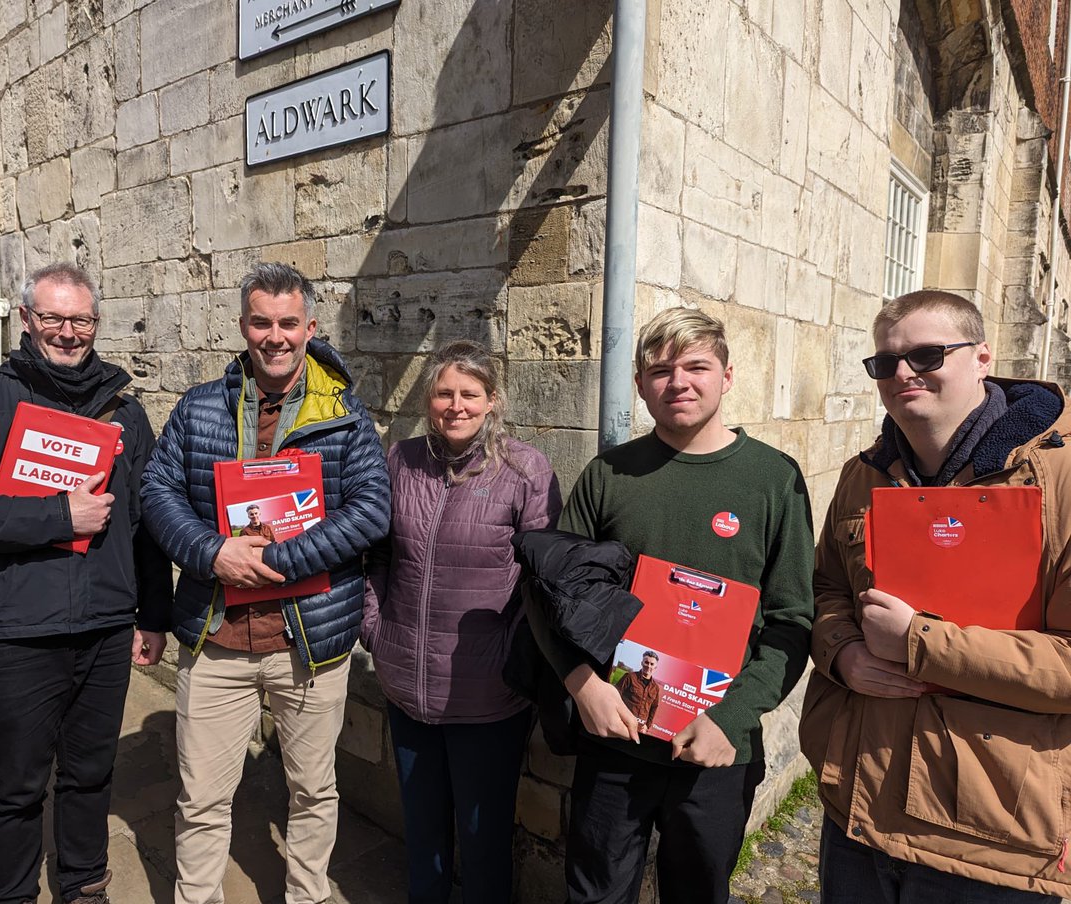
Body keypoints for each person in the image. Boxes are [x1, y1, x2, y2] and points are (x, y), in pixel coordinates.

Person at [529, 307, 814, 904]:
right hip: (616, 737)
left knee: (697, 893)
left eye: (696, 366)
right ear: (639, 384)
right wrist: (582, 685)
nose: (678, 381)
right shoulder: (610, 473)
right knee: (596, 896)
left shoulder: (773, 480)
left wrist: (730, 720)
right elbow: (545, 590)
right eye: (659, 370)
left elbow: (792, 623)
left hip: (713, 746)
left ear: (728, 376)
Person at [799, 290, 1071, 902]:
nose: (902, 374)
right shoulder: (863, 473)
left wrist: (921, 643)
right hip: (860, 808)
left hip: (995, 838)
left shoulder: (1061, 480)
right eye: (884, 363)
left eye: (926, 355)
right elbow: (827, 590)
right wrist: (843, 650)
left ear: (981, 356)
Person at [0, 262, 172, 904]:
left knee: (90, 772)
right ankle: (8, 895)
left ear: (96, 323)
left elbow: (144, 524)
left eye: (81, 319)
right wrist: (59, 514)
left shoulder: (126, 414)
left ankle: (84, 882)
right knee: (17, 783)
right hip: (13, 628)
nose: (68, 332)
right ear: (27, 319)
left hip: (106, 625)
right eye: (53, 317)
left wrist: (154, 616)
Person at [140, 261, 389, 904]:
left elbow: (371, 511)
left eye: (287, 323)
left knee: (313, 790)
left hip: (308, 644)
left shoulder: (346, 415)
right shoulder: (199, 408)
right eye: (260, 323)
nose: (274, 336)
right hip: (217, 641)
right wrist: (213, 552)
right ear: (243, 327)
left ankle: (306, 896)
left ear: (309, 327)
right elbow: (157, 491)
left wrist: (285, 559)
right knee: (201, 798)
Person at [362, 339, 562, 904]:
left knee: (483, 837)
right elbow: (376, 555)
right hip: (406, 684)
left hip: (487, 696)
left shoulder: (525, 470)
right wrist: (375, 630)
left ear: (492, 400)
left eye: (470, 394)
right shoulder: (399, 460)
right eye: (445, 393)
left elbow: (541, 580)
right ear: (429, 399)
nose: (457, 405)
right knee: (422, 832)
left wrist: (508, 658)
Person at [614, 651, 659, 733]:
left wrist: (647, 726)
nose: (649, 666)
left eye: (652, 664)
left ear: (655, 667)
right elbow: (615, 695)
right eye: (646, 662)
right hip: (623, 724)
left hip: (640, 729)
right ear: (642, 663)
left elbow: (654, 707)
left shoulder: (655, 688)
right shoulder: (630, 677)